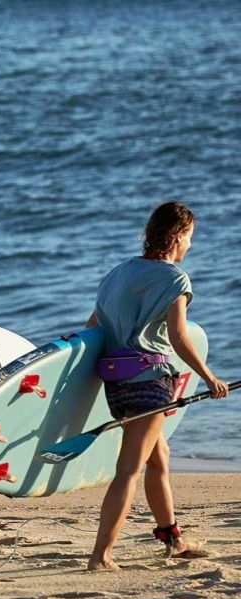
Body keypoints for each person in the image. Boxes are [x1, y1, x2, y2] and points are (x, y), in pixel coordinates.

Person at [86, 202, 229, 571]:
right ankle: (101, 556)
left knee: (158, 457)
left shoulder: (116, 274)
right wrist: (209, 376)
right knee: (129, 470)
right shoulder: (175, 279)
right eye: (190, 239)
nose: (190, 246)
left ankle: (173, 539)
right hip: (150, 383)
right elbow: (179, 337)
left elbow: (93, 328)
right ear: (178, 236)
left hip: (117, 385)